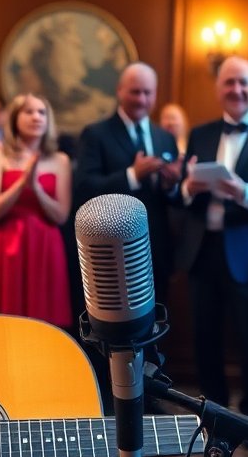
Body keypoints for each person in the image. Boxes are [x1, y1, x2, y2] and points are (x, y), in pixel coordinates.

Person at [175, 56, 248, 436]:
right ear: (218, 88)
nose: (236, 90)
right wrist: (187, 189)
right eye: (229, 83)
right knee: (205, 338)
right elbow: (183, 191)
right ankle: (213, 417)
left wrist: (246, 192)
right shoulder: (201, 133)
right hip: (203, 250)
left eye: (243, 83)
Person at [74, 62, 182, 305]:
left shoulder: (164, 137)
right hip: (111, 253)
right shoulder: (95, 134)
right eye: (135, 92)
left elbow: (172, 201)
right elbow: (84, 188)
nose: (142, 99)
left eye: (148, 93)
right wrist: (131, 175)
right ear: (120, 91)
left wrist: (172, 185)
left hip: (157, 249)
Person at [0, 93, 73, 330]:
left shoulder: (60, 160)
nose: (36, 117)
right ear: (15, 118)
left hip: (45, 246)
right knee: (0, 323)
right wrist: (21, 184)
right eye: (29, 112)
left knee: (47, 326)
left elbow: (60, 216)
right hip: (4, 244)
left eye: (42, 112)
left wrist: (36, 188)